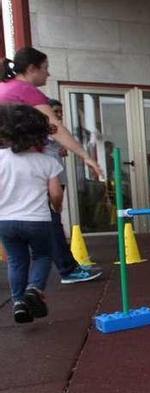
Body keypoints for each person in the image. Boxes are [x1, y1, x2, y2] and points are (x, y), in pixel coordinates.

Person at [0, 105, 64, 323]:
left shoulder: (1, 158)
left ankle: (18, 303)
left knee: (16, 261)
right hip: (37, 219)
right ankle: (34, 290)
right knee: (43, 256)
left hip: (6, 221)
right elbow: (56, 193)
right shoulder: (47, 162)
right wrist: (57, 207)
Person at [0, 47, 102, 179]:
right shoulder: (26, 90)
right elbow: (55, 127)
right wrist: (85, 156)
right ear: (31, 69)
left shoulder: (5, 86)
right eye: (45, 68)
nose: (48, 74)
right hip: (20, 162)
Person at [45, 99, 102, 283]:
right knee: (53, 226)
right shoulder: (45, 130)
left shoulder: (52, 133)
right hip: (49, 183)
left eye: (60, 111)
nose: (59, 115)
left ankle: (68, 266)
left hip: (56, 181)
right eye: (55, 111)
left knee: (54, 225)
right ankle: (67, 269)